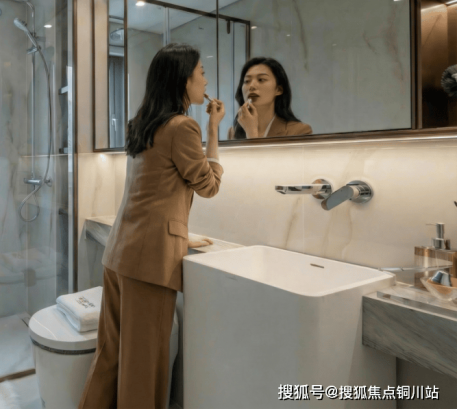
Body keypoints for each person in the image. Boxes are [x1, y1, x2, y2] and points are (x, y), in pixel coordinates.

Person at [79, 43, 225, 409]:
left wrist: (180, 235)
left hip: (120, 252)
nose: (206, 80)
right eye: (202, 72)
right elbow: (209, 186)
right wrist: (213, 129)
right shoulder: (183, 127)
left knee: (110, 356)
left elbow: (153, 193)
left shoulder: (142, 123)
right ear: (184, 79)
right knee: (143, 367)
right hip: (149, 264)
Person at [228, 56, 311, 139]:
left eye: (261, 80)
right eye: (247, 81)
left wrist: (251, 132)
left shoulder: (299, 131)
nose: (251, 86)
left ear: (278, 89)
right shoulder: (233, 133)